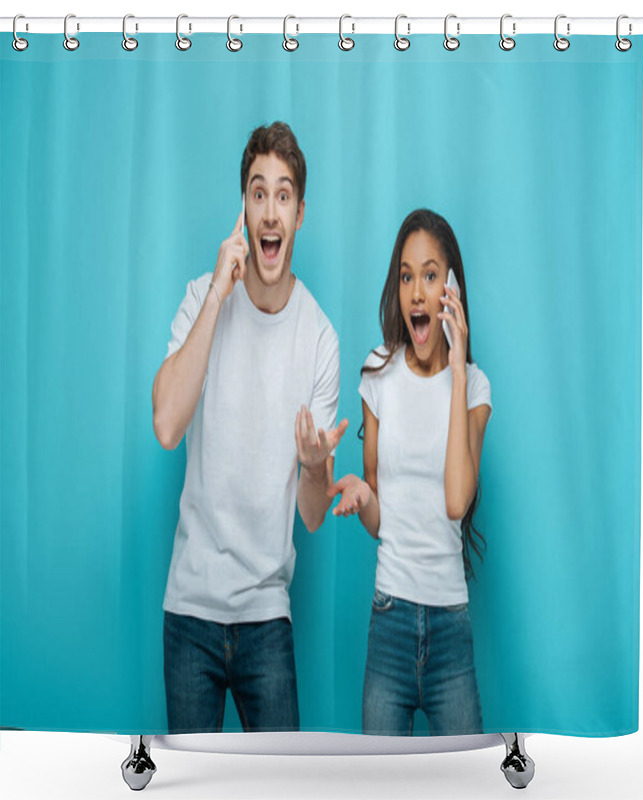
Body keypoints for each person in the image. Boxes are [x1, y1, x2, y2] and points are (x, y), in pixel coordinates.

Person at [152, 122, 348, 733]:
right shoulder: (199, 298)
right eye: (257, 193)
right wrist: (217, 295)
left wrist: (316, 465)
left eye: (283, 195)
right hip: (190, 613)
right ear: (243, 207)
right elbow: (166, 424)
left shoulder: (319, 339)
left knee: (280, 789)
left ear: (300, 214)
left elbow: (313, 515)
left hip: (268, 619)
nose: (270, 210)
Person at [328, 209, 491, 736]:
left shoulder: (477, 388)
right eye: (405, 276)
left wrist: (459, 365)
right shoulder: (378, 373)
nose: (417, 292)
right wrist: (361, 495)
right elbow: (380, 518)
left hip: (450, 624)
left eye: (430, 274)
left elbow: (455, 502)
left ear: (452, 288)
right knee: (380, 785)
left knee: (462, 783)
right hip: (390, 616)